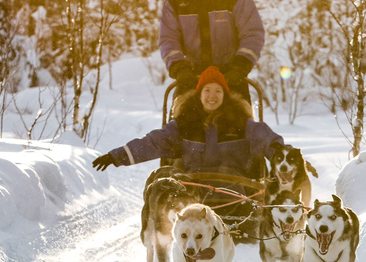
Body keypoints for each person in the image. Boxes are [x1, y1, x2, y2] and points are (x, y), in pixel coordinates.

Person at [92, 66, 282, 178]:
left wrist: (287, 158)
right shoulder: (184, 123)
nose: (212, 96)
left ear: (225, 95)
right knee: (160, 182)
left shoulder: (241, 121)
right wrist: (115, 156)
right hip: (192, 189)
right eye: (207, 90)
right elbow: (153, 143)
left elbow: (268, 140)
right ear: (200, 94)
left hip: (234, 189)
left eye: (218, 91)